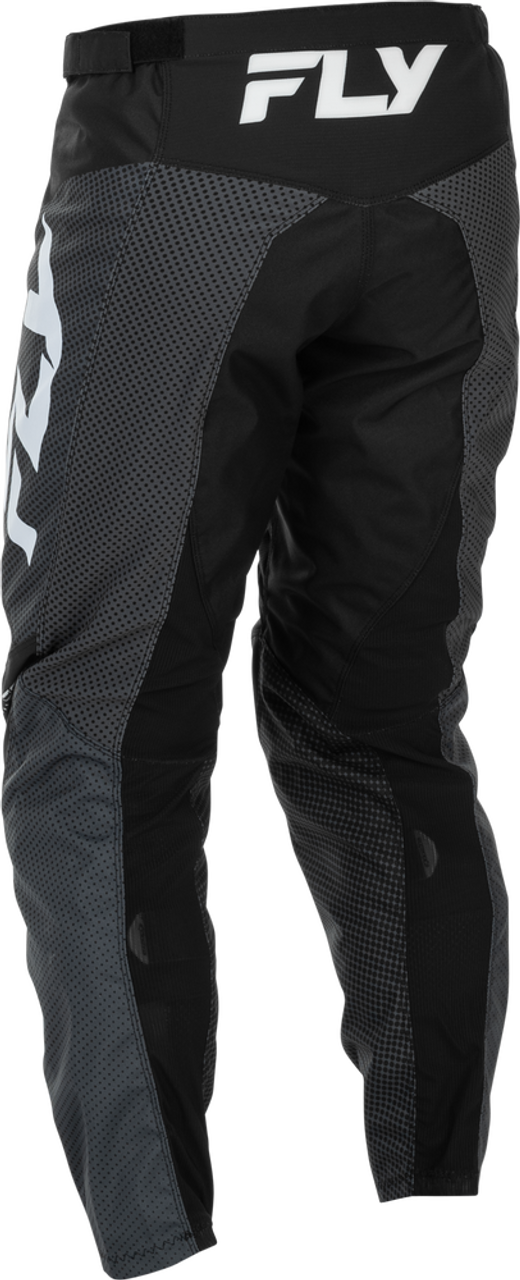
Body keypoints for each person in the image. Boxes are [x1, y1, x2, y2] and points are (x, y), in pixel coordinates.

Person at [1, 3, 517, 1276]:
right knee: (385, 715)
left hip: (182, 139)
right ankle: (445, 1209)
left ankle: (157, 1250)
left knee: (96, 729)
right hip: (443, 125)